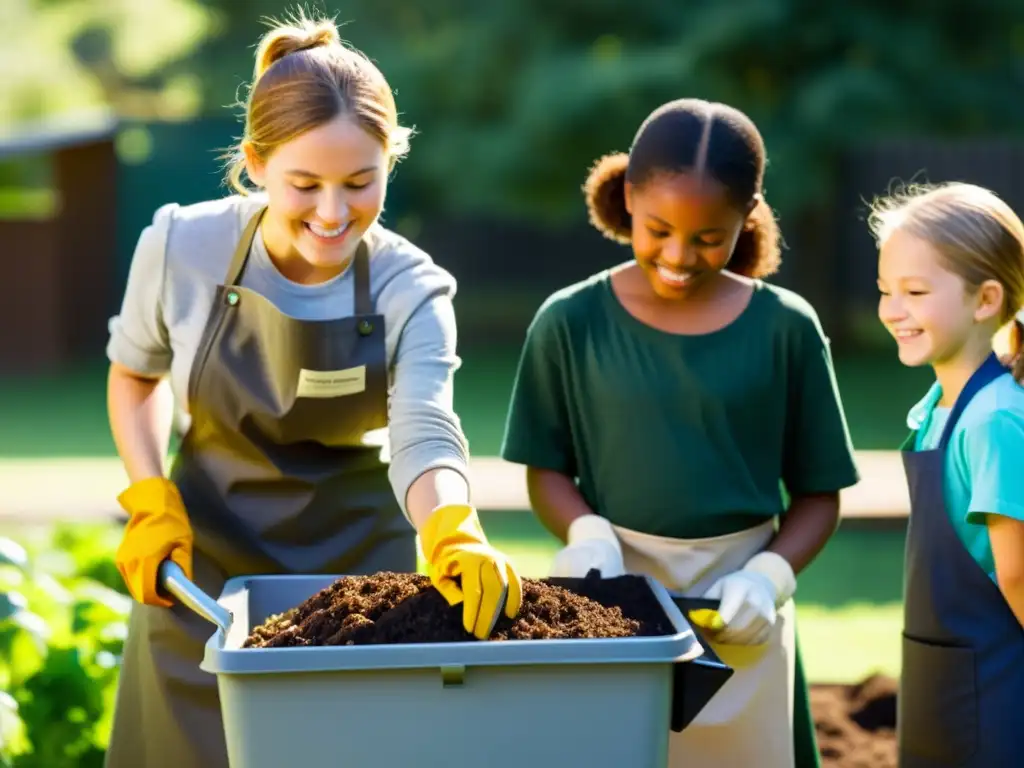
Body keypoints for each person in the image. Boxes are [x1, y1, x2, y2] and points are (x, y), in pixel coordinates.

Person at [103, 12, 521, 768]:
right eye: (305, 185)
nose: (334, 215)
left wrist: (453, 528)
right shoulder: (180, 247)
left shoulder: (411, 286)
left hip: (357, 578)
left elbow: (424, 426)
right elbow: (135, 372)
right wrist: (149, 494)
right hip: (201, 569)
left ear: (390, 160)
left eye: (361, 183)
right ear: (257, 163)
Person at [500, 97, 860, 767]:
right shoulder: (568, 322)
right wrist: (586, 532)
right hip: (615, 605)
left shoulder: (787, 328)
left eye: (708, 237)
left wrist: (770, 575)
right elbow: (545, 467)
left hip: (742, 610)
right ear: (629, 196)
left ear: (747, 218)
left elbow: (819, 493)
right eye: (659, 228)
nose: (677, 255)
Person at [872, 182, 1024, 767]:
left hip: (994, 700)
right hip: (941, 686)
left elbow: (1017, 575)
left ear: (986, 299)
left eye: (914, 291)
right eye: (886, 290)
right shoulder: (938, 407)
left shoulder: (995, 420)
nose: (892, 309)